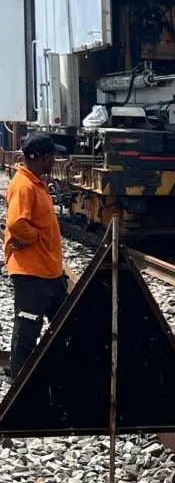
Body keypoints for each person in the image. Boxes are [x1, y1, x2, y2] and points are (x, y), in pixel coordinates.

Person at [4, 132, 68, 379]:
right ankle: (19, 382)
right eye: (53, 156)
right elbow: (16, 223)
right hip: (31, 273)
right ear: (43, 158)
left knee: (66, 322)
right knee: (28, 330)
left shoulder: (35, 182)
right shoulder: (24, 186)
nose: (55, 160)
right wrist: (34, 238)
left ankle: (58, 375)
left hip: (48, 271)